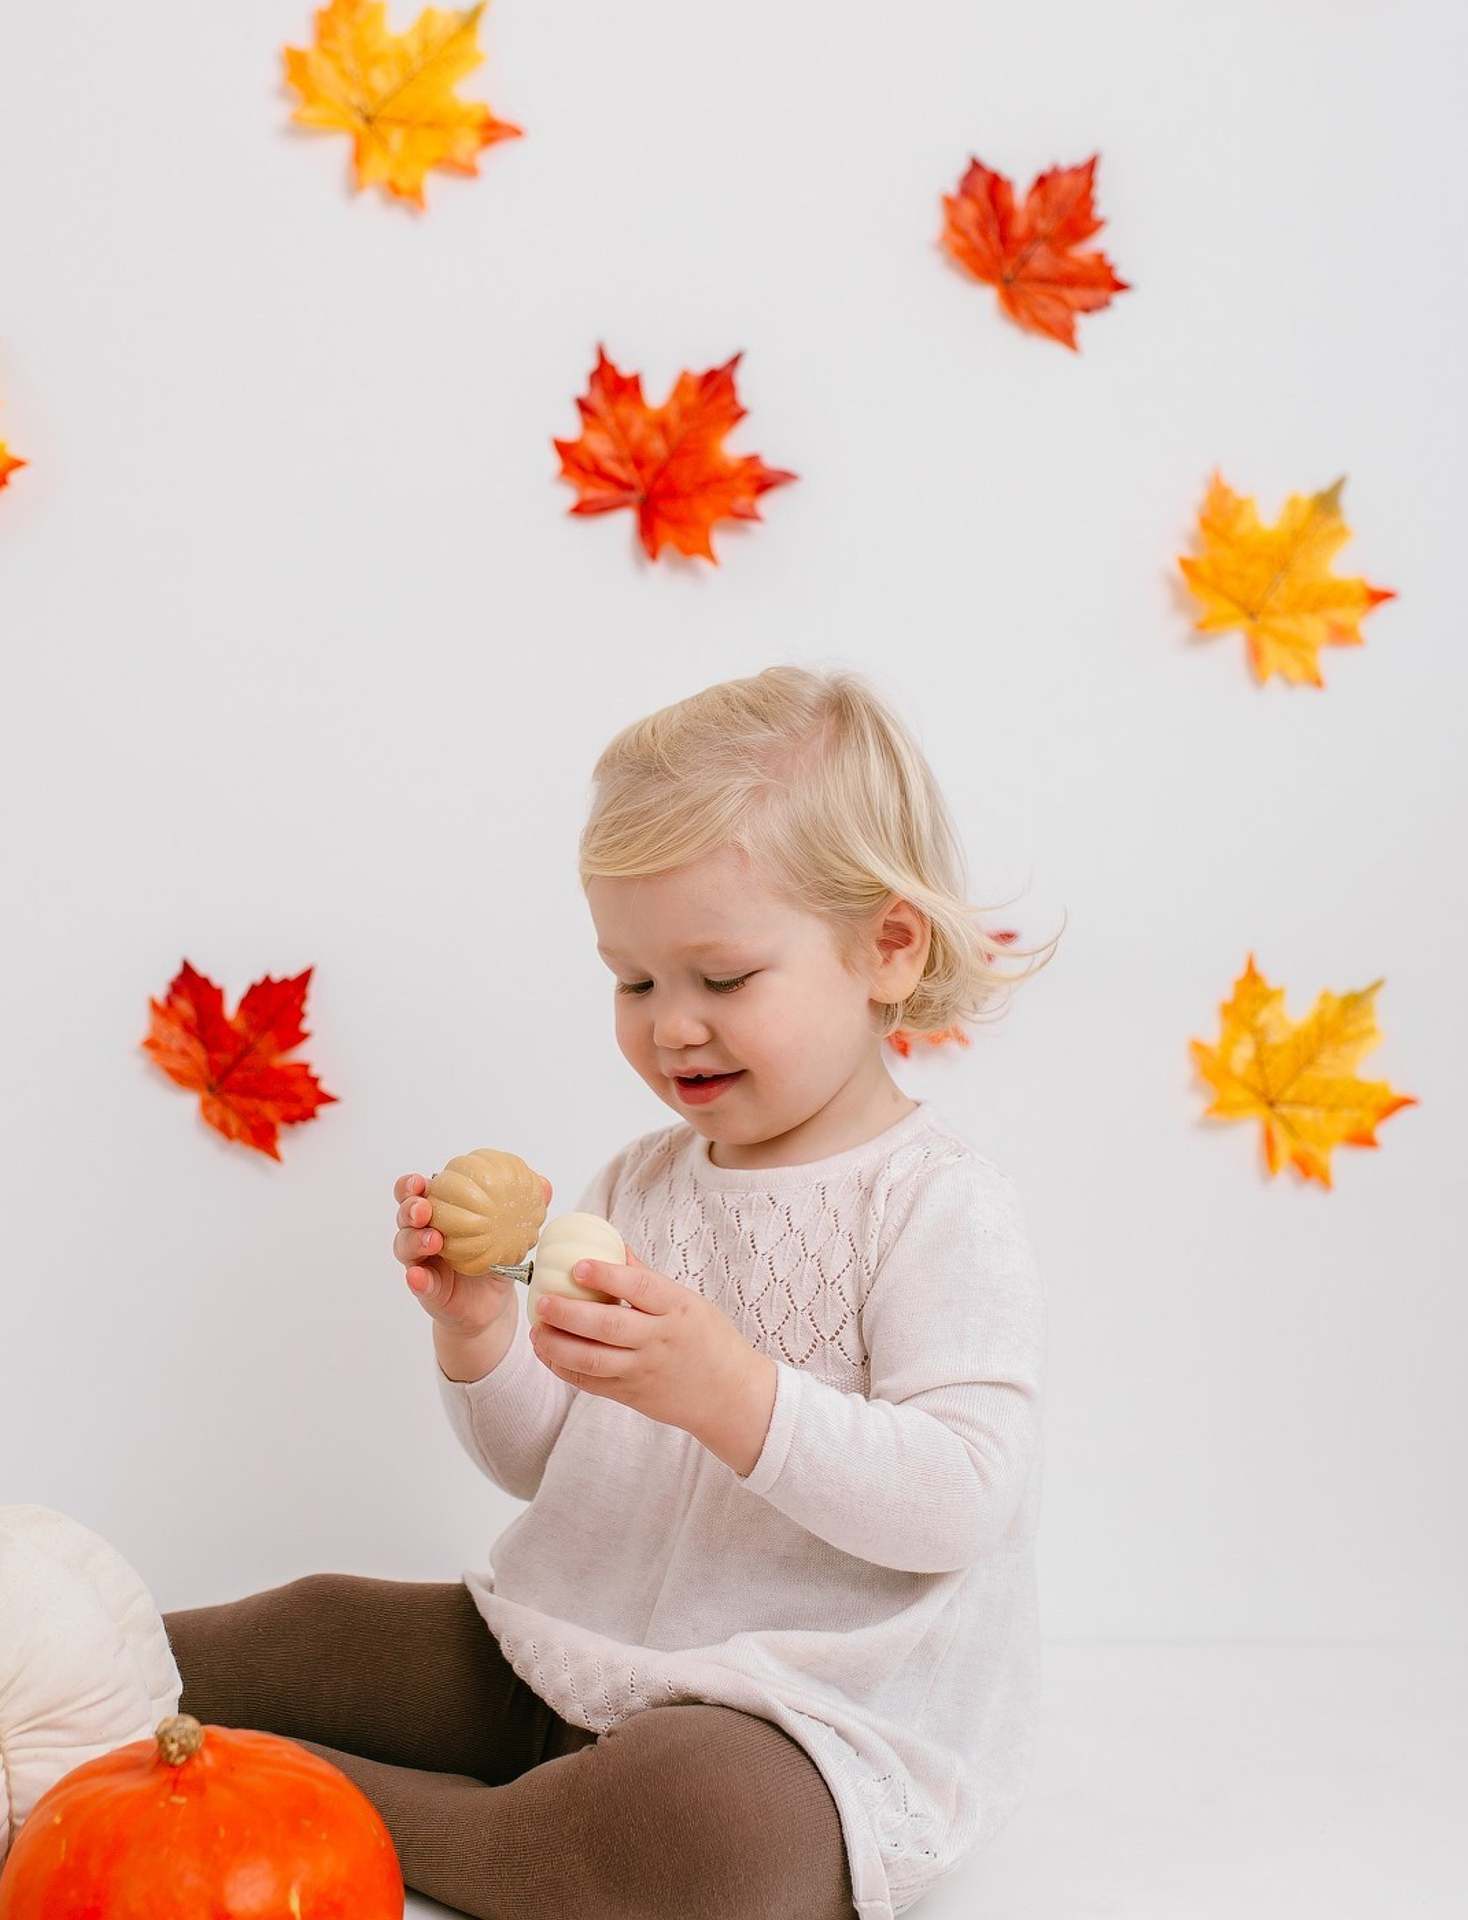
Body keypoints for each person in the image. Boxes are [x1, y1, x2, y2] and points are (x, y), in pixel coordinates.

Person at [164, 665, 1051, 1920]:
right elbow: (561, 1468)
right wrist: (481, 1339)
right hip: (574, 1653)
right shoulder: (640, 1183)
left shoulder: (935, 1205)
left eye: (722, 979)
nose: (670, 1026)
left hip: (792, 1724)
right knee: (313, 1627)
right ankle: (74, 1667)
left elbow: (961, 1499)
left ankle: (295, 1791)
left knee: (703, 1837)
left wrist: (734, 1395)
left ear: (886, 949)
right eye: (633, 983)